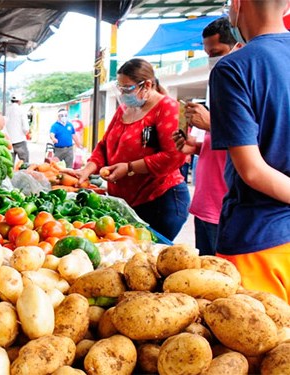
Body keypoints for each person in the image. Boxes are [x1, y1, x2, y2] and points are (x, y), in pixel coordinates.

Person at [209, 0, 290, 301]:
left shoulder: (234, 67)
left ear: (237, 5)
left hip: (259, 241)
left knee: (258, 341)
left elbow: (253, 170)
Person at [69, 58, 190, 241]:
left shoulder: (171, 108)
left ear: (147, 85)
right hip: (128, 203)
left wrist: (130, 167)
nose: (123, 93)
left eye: (127, 88)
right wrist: (87, 170)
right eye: (120, 88)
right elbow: (104, 145)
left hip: (160, 200)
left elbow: (175, 156)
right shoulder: (126, 109)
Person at [172, 17, 237, 256]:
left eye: (216, 52)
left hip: (224, 207)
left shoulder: (249, 90)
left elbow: (255, 145)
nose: (212, 60)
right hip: (205, 203)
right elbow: (224, 148)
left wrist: (211, 125)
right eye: (208, 53)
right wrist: (197, 146)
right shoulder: (221, 90)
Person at [4, 93, 29, 163]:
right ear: (19, 101)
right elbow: (26, 128)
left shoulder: (5, 109)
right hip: (20, 140)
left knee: (9, 163)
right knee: (24, 163)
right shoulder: (21, 110)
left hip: (8, 141)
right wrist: (26, 133)